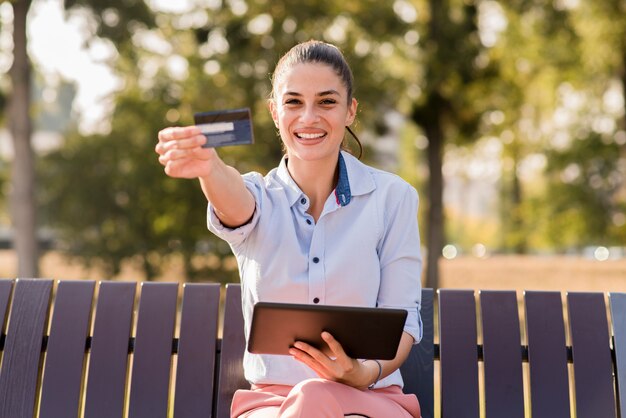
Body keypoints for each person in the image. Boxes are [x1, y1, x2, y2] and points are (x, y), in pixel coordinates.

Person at [155, 40, 423, 418]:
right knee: (309, 401)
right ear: (274, 112)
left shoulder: (393, 198)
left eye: (327, 102)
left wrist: (362, 373)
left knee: (315, 397)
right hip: (272, 405)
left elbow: (403, 316)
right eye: (294, 102)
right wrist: (209, 168)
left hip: (371, 400)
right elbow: (235, 203)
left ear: (350, 111)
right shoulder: (259, 198)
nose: (309, 117)